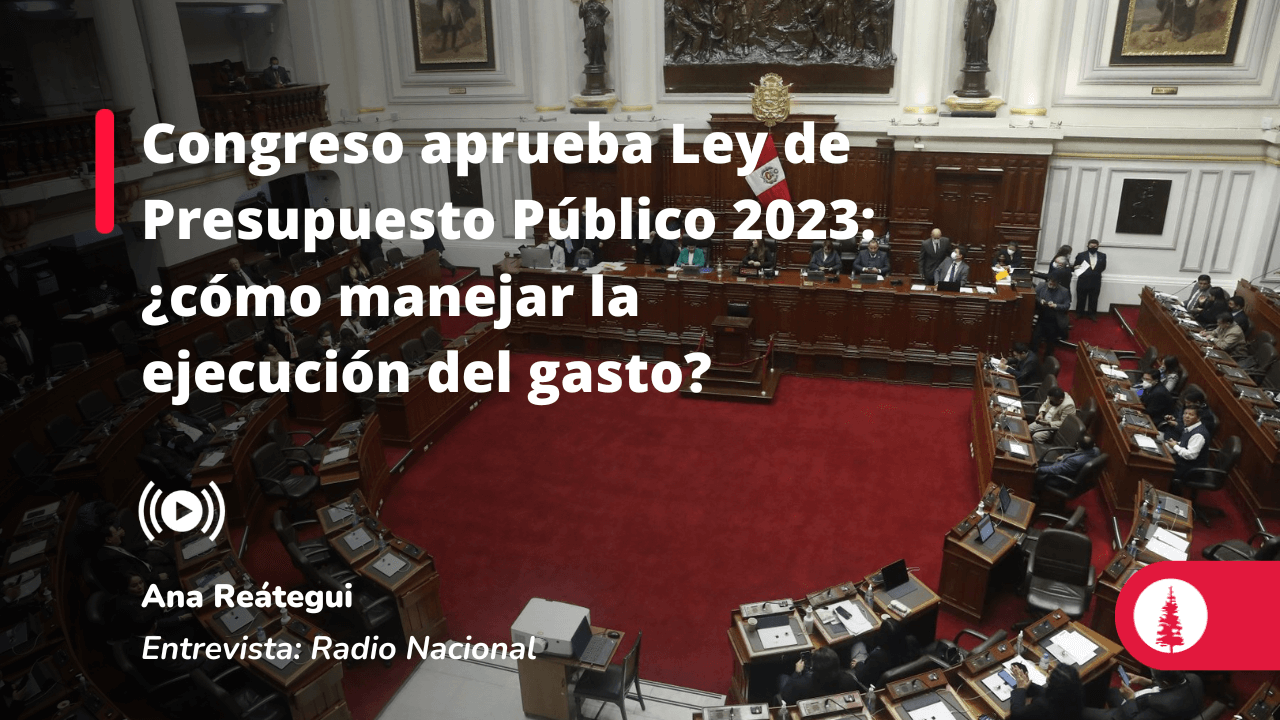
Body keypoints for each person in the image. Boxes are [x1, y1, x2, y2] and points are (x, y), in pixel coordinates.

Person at [1082, 670, 1202, 720]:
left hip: (1128, 714)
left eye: (1154, 677)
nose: (1153, 678)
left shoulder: (1163, 707)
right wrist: (1145, 681)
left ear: (1165, 683)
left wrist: (1130, 699)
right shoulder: (1193, 679)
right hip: (1142, 702)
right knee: (1111, 691)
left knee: (1082, 712)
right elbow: (1170, 684)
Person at [94, 524, 178, 594]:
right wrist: (157, 577)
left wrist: (148, 542)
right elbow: (132, 578)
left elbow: (128, 549)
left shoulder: (109, 548)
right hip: (147, 583)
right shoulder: (111, 558)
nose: (119, 534)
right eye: (116, 534)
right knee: (178, 580)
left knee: (176, 566)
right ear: (108, 539)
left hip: (148, 569)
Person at [778, 647, 861, 704]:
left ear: (813, 668)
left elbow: (785, 697)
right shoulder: (849, 680)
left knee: (783, 677)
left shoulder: (800, 685)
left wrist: (796, 673)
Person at [1008, 662, 1085, 720]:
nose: (1050, 671)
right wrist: (1027, 683)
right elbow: (1044, 692)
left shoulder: (1043, 705)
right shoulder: (1073, 696)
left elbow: (1016, 715)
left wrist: (1020, 689)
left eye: (1053, 672)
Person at [1035, 436, 1099, 500]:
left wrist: (1038, 469)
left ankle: (1035, 495)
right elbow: (1078, 454)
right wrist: (1064, 456)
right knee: (1041, 464)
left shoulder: (1075, 461)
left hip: (1064, 479)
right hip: (1074, 473)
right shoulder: (1096, 450)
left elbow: (1056, 470)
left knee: (1035, 473)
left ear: (1078, 444)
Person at [1165, 406, 1209, 484]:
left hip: (1190, 469)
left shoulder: (1198, 434)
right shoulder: (1191, 427)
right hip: (1183, 462)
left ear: (1198, 418)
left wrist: (1175, 446)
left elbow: (1190, 455)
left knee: (1162, 467)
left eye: (1191, 414)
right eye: (1185, 413)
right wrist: (1177, 443)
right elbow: (1188, 444)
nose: (1186, 416)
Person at [1035, 271, 1072, 349]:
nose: (1051, 283)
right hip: (1042, 315)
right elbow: (1034, 296)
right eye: (1050, 281)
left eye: (1053, 282)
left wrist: (1056, 305)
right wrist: (1040, 300)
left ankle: (1049, 353)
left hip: (1055, 317)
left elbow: (1067, 305)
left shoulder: (1064, 291)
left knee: (1051, 338)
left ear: (1058, 283)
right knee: (1036, 336)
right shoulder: (1041, 285)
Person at [1073, 239, 1107, 321]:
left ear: (1098, 246)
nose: (1093, 248)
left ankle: (1092, 314)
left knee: (1094, 298)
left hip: (1096, 280)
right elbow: (1076, 266)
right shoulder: (1081, 255)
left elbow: (1103, 267)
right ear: (1087, 246)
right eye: (1091, 246)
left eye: (1095, 246)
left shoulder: (1102, 255)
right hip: (1083, 280)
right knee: (1081, 298)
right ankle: (1079, 313)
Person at [1, 313, 40, 381]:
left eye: (12, 322)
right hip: (21, 375)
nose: (10, 325)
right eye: (7, 324)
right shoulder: (3, 341)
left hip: (39, 369)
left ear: (19, 323)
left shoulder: (31, 332)